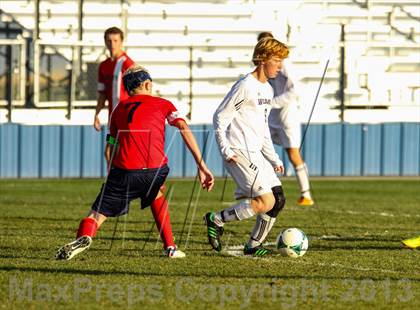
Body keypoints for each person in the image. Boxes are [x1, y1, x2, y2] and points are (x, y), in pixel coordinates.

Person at [57, 65, 214, 260]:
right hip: (157, 170)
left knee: (96, 215)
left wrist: (112, 172)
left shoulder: (118, 110)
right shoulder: (164, 104)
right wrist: (202, 166)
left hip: (125, 172)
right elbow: (182, 125)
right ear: (147, 84)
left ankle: (85, 236)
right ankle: (171, 247)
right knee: (156, 192)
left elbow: (111, 145)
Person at [204, 37, 289, 256]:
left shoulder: (268, 90)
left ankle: (253, 246)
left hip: (256, 153)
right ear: (262, 59)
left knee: (278, 200)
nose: (280, 66)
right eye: (277, 60)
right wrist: (226, 149)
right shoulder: (245, 86)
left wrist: (274, 159)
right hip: (238, 152)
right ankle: (216, 220)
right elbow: (220, 117)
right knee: (266, 200)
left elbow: (263, 130)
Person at [258, 32, 314, 206]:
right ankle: (260, 188)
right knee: (259, 147)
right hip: (271, 115)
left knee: (293, 154)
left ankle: (306, 194)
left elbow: (294, 90)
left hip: (287, 116)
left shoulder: (284, 64)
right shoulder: (263, 64)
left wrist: (273, 102)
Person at [94, 27, 134, 166]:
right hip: (113, 120)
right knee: (111, 152)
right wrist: (97, 114)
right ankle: (117, 185)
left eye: (116, 40)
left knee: (118, 152)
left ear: (121, 41)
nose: (112, 44)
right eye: (109, 40)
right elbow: (102, 93)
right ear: (105, 42)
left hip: (126, 119)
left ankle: (154, 183)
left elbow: (138, 91)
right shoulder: (104, 66)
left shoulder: (128, 64)